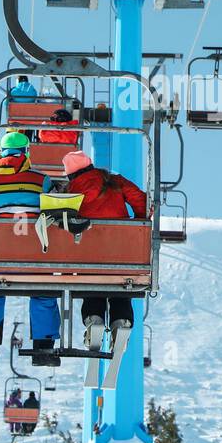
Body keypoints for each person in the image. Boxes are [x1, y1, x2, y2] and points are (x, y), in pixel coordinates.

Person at [0, 131, 60, 368]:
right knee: (44, 292)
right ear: (26, 152)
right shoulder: (42, 181)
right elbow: (53, 212)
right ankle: (43, 347)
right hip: (35, 260)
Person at [59, 150, 148, 351]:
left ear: (70, 174)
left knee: (92, 283)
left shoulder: (68, 194)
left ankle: (94, 321)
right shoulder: (114, 181)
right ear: (90, 165)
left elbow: (61, 225)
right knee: (122, 285)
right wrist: (137, 224)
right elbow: (142, 201)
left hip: (87, 256)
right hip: (122, 251)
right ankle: (121, 323)